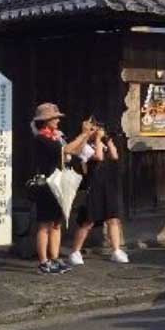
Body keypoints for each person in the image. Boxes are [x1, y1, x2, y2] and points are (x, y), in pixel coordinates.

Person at [30, 103, 95, 274]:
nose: (58, 120)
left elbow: (75, 151)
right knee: (45, 224)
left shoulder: (57, 136)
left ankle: (55, 257)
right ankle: (44, 261)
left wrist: (86, 136)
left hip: (60, 182)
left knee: (57, 223)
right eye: (55, 118)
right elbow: (64, 150)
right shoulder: (42, 138)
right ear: (45, 120)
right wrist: (83, 134)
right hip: (46, 184)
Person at [69, 120, 128, 265]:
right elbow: (99, 157)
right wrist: (96, 139)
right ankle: (75, 251)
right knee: (88, 220)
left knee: (113, 219)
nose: (99, 131)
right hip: (94, 185)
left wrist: (107, 141)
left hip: (108, 184)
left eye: (100, 128)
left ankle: (116, 250)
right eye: (95, 128)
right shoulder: (84, 146)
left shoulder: (102, 143)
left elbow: (114, 156)